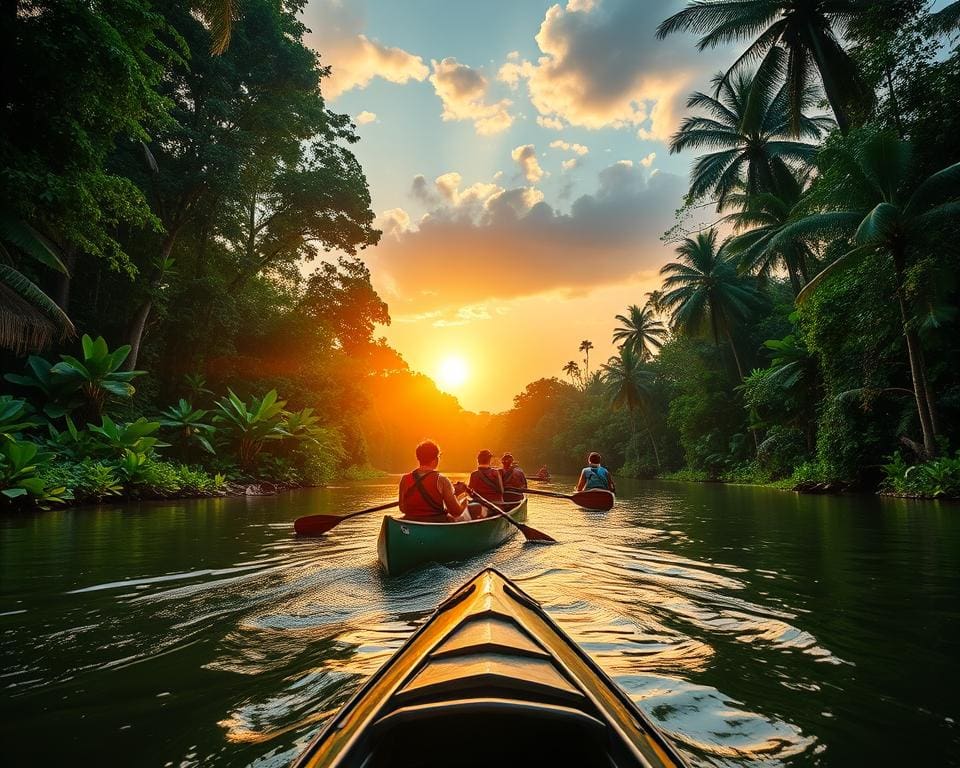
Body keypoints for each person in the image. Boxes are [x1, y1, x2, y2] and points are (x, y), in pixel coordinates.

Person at [398, 439, 471, 522]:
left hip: (411, 522)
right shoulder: (442, 480)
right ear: (435, 459)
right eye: (439, 457)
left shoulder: (404, 479)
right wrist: (465, 501)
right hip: (435, 523)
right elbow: (456, 512)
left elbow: (402, 509)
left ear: (418, 458)